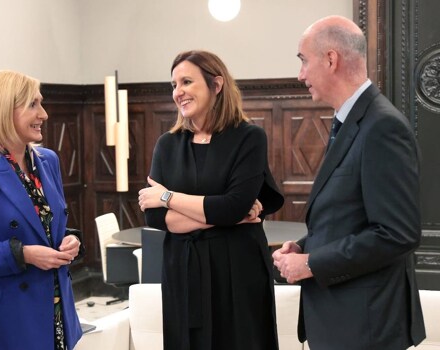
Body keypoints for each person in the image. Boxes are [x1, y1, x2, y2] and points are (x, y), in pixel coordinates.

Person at [272, 15, 426, 349]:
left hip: (366, 328)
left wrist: (311, 263)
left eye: (303, 61)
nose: (300, 75)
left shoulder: (383, 127)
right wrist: (305, 246)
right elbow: (349, 217)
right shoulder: (353, 120)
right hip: (343, 323)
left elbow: (397, 233)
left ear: (331, 59)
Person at [137, 50, 284, 350]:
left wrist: (167, 197)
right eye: (174, 85)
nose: (178, 92)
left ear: (216, 85)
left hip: (238, 271)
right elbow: (153, 218)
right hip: (183, 271)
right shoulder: (167, 144)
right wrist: (224, 214)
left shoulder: (249, 137)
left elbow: (233, 207)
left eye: (187, 82)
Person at [0, 70, 83, 350]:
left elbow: (43, 225)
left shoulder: (48, 161)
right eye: (33, 104)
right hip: (7, 324)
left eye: (41, 103)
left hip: (55, 312)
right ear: (3, 111)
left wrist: (71, 240)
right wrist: (24, 254)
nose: (43, 114)